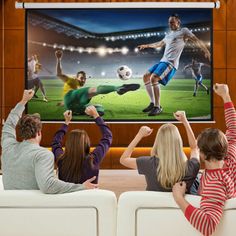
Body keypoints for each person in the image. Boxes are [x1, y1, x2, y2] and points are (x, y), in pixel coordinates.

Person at [1, 89, 98, 193]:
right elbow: (48, 186)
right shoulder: (43, 155)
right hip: (33, 207)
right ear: (39, 132)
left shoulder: (8, 147)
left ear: (21, 131)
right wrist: (80, 187)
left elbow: (9, 124)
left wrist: (23, 101)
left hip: (7, 206)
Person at [173, 83, 236, 236]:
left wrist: (179, 198)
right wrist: (225, 95)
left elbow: (207, 226)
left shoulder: (215, 184)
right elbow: (233, 128)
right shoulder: (231, 154)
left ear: (203, 155)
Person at [138, 13, 211, 116]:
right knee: (146, 76)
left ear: (178, 22)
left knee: (154, 78)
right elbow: (159, 44)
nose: (170, 24)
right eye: (169, 22)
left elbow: (196, 40)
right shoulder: (168, 35)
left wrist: (206, 50)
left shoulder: (183, 31)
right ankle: (152, 103)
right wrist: (146, 45)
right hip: (162, 61)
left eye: (172, 22)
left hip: (170, 63)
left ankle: (157, 107)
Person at [120, 111, 200, 192]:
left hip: (155, 204)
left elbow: (124, 159)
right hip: (180, 204)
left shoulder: (148, 163)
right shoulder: (192, 166)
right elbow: (194, 148)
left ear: (158, 142)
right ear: (178, 142)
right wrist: (185, 121)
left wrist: (139, 135)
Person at [55, 49, 140, 115]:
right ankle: (118, 88)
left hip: (74, 107)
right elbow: (59, 74)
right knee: (93, 90)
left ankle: (92, 111)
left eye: (85, 78)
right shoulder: (71, 80)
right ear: (76, 77)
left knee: (99, 107)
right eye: (81, 78)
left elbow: (71, 99)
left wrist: (63, 103)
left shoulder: (77, 88)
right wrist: (59, 59)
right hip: (70, 98)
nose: (83, 80)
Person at [51, 106, 112, 184]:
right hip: (89, 196)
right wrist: (96, 115)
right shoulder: (93, 159)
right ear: (87, 143)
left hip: (67, 196)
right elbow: (108, 136)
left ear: (69, 144)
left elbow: (55, 142)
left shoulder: (61, 159)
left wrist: (66, 122)